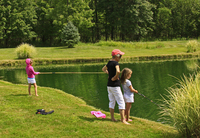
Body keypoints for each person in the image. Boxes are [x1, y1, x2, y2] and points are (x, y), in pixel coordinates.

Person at [102, 49, 129, 125]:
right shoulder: (116, 63)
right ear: (116, 56)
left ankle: (112, 118)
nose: (120, 57)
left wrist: (109, 74)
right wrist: (115, 76)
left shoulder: (109, 62)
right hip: (115, 86)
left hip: (109, 85)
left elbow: (103, 69)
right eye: (120, 56)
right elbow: (118, 71)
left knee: (111, 101)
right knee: (121, 102)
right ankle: (123, 120)